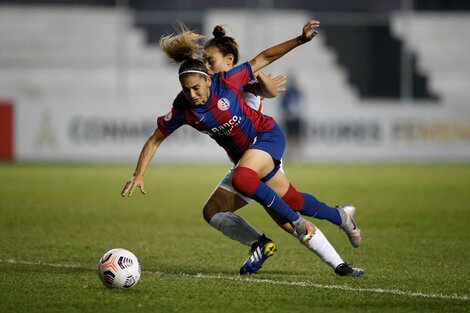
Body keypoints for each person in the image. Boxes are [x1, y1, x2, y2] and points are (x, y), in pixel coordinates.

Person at [121, 20, 364, 277]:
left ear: (208, 79)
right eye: (186, 89)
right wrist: (139, 173)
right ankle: (338, 230)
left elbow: (264, 57)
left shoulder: (228, 81)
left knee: (258, 191)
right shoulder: (183, 108)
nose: (192, 94)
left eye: (196, 88)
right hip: (246, 161)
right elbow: (155, 139)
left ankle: (297, 222)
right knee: (226, 210)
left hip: (266, 137)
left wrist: (300, 40)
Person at [201, 25, 363, 276]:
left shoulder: (238, 79)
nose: (206, 67)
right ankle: (337, 219)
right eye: (204, 62)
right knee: (215, 211)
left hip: (260, 155)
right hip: (243, 164)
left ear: (229, 60)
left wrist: (269, 82)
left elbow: (267, 84)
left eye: (210, 61)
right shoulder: (210, 87)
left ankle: (340, 264)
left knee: (289, 220)